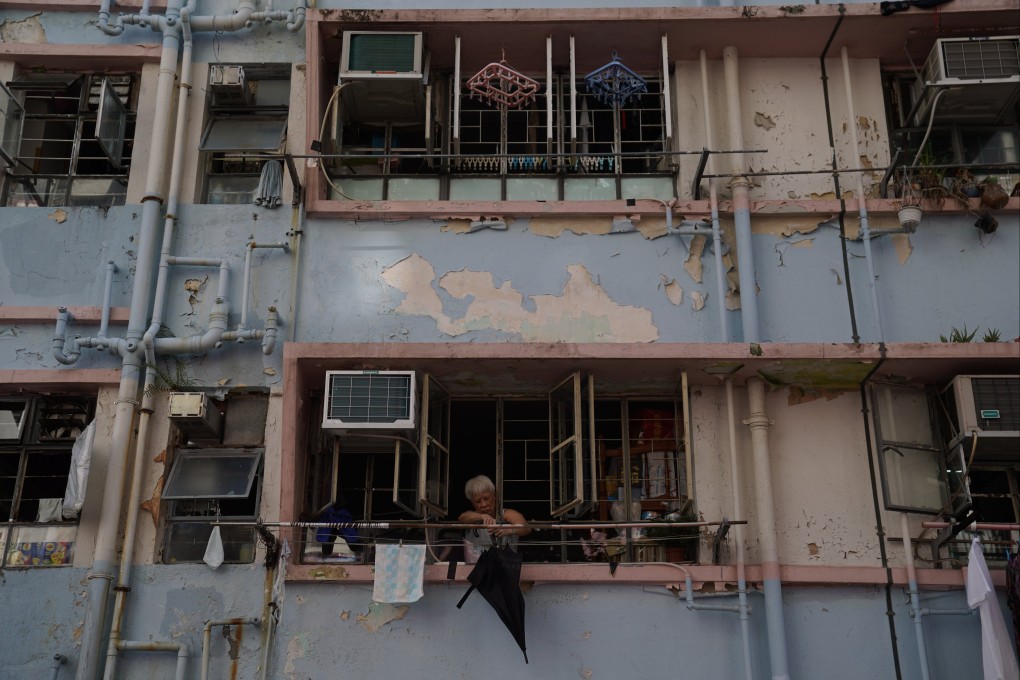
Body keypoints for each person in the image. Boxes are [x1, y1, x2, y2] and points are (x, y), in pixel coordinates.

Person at [458, 475, 530, 564]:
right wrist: (482, 517)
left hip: (505, 569)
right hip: (474, 571)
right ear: (472, 503)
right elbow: (462, 518)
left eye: (486, 498)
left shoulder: (506, 513)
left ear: (494, 496)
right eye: (477, 501)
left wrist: (510, 530)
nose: (483, 504)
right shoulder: (471, 516)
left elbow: (526, 528)